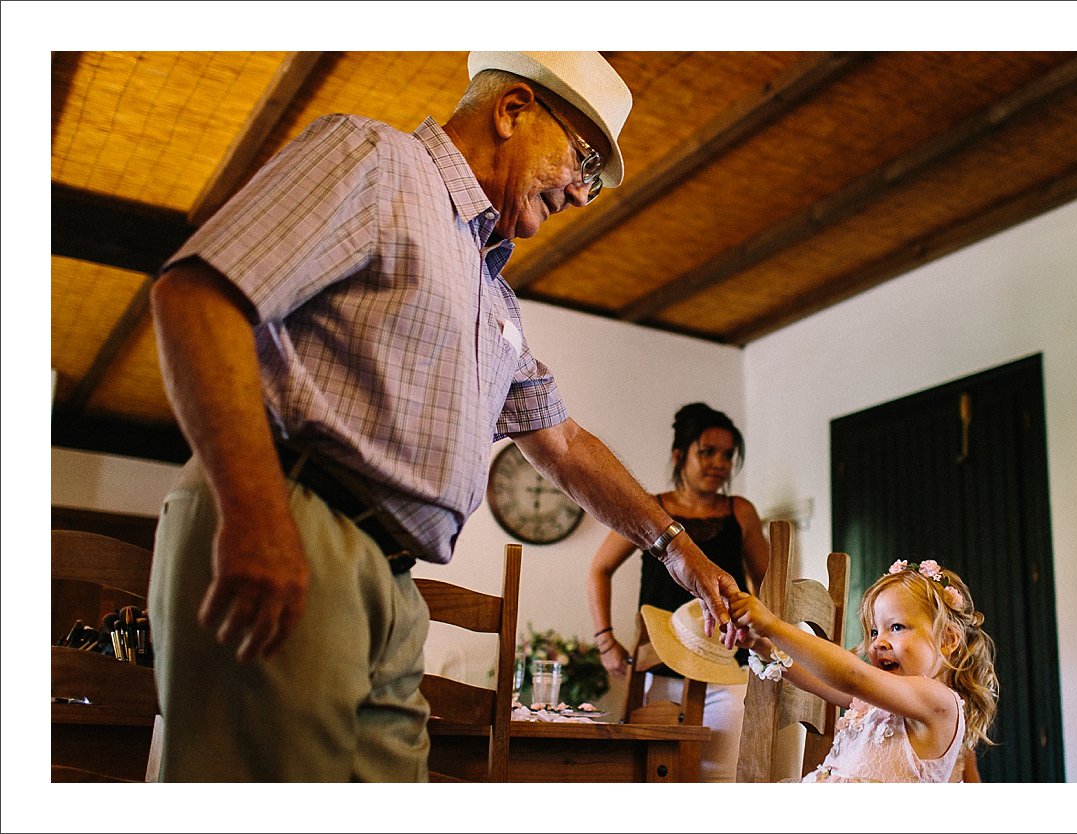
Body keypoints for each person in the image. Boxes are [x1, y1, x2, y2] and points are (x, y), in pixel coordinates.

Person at [146, 51, 742, 782]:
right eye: (583, 160)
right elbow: (197, 296)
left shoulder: (493, 295)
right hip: (292, 519)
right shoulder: (376, 159)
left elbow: (565, 442)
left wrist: (680, 549)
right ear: (513, 109)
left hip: (395, 581)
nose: (585, 196)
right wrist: (254, 512)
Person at [587, 402, 769, 781]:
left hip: (728, 670)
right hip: (657, 671)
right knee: (656, 782)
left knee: (725, 779)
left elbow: (768, 584)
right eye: (707, 452)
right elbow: (599, 568)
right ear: (679, 455)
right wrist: (605, 641)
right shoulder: (650, 508)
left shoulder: (741, 512)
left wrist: (766, 645)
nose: (719, 463)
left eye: (727, 455)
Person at [729, 559, 998, 782]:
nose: (878, 642)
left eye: (896, 627)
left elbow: (852, 677)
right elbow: (818, 680)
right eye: (873, 631)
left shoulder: (939, 702)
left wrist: (773, 626)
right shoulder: (875, 704)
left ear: (947, 640)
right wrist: (763, 646)